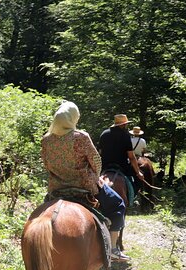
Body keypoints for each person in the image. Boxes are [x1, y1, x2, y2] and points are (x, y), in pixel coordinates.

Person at [41, 102, 130, 261]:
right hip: (84, 185)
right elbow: (96, 161)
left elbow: (47, 164)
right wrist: (96, 177)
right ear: (73, 118)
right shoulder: (81, 136)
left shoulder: (46, 139)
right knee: (118, 204)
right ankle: (113, 249)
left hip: (56, 187)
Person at [97, 114, 144, 203]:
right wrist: (138, 172)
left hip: (105, 166)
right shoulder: (125, 135)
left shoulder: (104, 134)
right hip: (122, 166)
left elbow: (100, 153)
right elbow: (131, 156)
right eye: (125, 124)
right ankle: (131, 199)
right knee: (137, 179)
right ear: (123, 125)